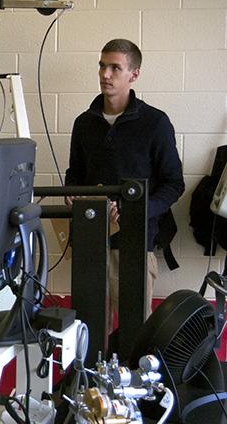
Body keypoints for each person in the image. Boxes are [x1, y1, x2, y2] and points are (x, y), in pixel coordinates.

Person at [64, 38, 184, 328]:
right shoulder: (84, 123)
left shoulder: (155, 123)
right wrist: (72, 196)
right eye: (102, 66)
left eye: (115, 68)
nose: (106, 74)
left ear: (134, 74)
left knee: (135, 334)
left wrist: (137, 209)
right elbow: (74, 174)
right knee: (89, 333)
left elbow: (173, 183)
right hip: (91, 242)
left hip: (135, 245)